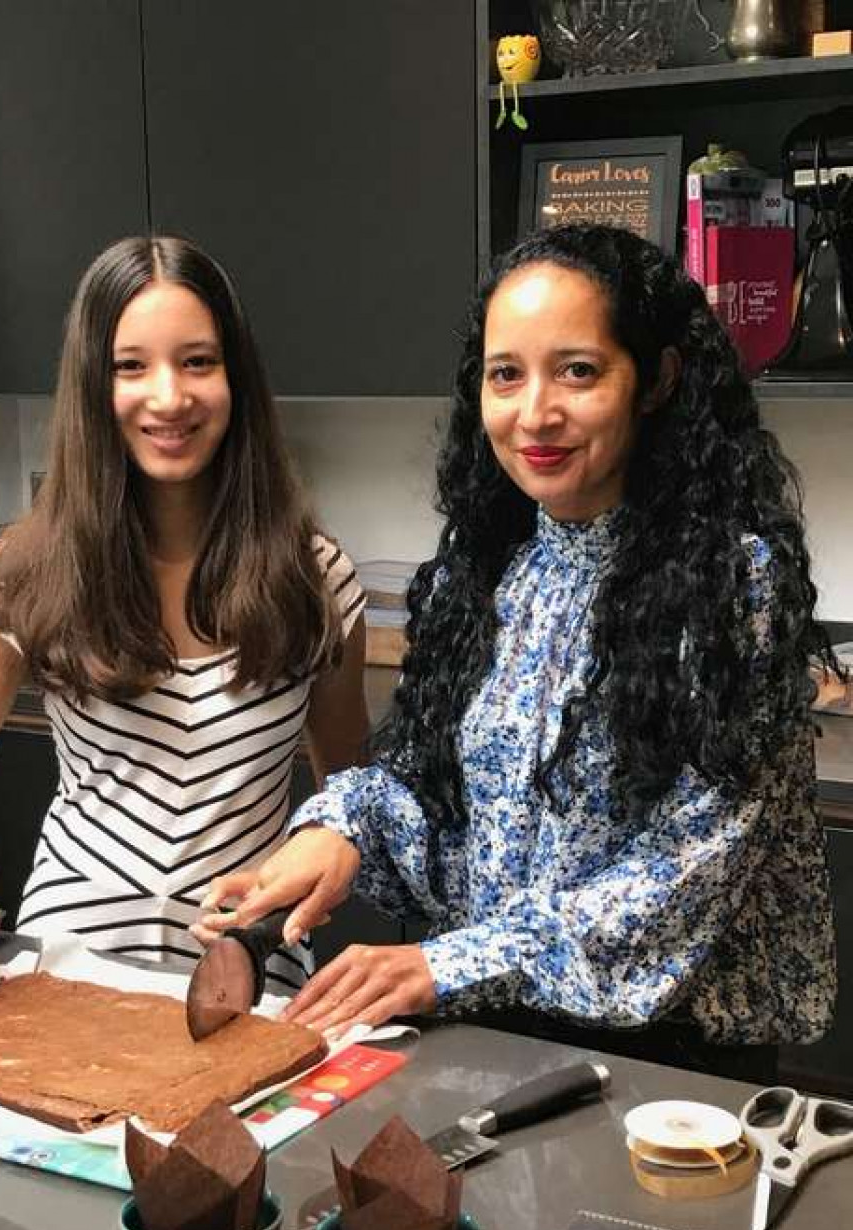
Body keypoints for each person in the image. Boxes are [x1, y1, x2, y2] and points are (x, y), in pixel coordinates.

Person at [198, 223, 839, 1079]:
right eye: (507, 375)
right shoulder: (494, 566)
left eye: (578, 370)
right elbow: (445, 799)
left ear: (656, 380)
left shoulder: (730, 585)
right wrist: (343, 830)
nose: (534, 412)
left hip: (671, 1068)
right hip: (500, 1036)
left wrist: (444, 964)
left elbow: (681, 879)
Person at [0, 235, 367, 995]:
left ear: (237, 378)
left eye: (198, 361)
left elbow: (354, 807)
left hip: (251, 978)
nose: (169, 397)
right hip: (68, 973)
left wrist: (325, 857)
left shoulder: (315, 581)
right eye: (131, 366)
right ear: (93, 384)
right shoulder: (24, 579)